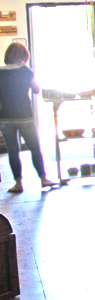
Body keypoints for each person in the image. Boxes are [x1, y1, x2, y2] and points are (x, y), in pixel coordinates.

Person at [0, 43, 56, 192]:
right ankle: (43, 179)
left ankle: (18, 184)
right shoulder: (26, 71)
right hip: (25, 116)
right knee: (34, 148)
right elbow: (36, 90)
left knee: (13, 151)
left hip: (5, 117)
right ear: (23, 57)